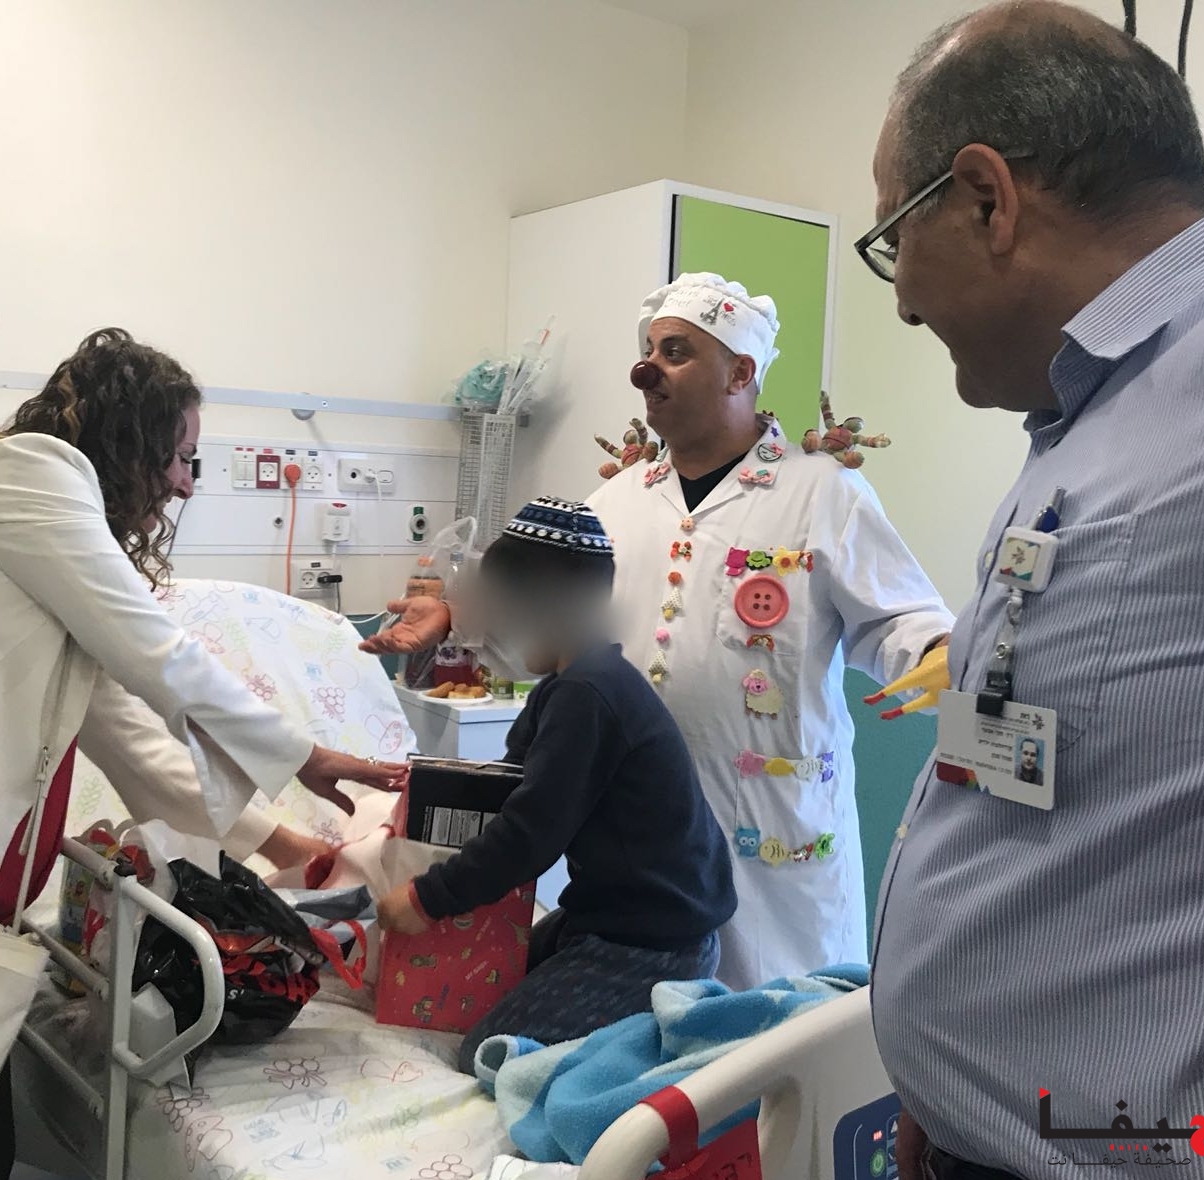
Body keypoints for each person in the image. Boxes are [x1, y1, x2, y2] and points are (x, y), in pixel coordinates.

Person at [862, 4, 1204, 1177]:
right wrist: (963, 1079)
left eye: (893, 239)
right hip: (1010, 1131)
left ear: (986, 199)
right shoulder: (1090, 417)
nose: (901, 300)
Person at [365, 274, 952, 990]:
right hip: (642, 833)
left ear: (740, 372)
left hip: (765, 821)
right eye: (648, 352)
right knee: (646, 1022)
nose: (647, 370)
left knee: (777, 1025)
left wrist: (938, 651)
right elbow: (543, 606)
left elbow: (900, 616)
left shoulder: (822, 493)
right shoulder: (618, 499)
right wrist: (457, 618)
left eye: (675, 352)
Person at [0, 327, 409, 1176]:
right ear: (129, 438)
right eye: (182, 456)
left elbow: (130, 739)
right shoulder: (32, 473)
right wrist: (304, 754)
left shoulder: (57, 551)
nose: (187, 483)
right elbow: (161, 655)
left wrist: (284, 845)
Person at [376, 498, 736, 1074]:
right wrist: (426, 794)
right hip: (601, 916)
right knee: (480, 990)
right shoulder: (563, 686)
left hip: (653, 943)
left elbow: (529, 833)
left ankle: (649, 1052)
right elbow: (507, 787)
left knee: (488, 1054)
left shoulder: (589, 695)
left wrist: (428, 898)